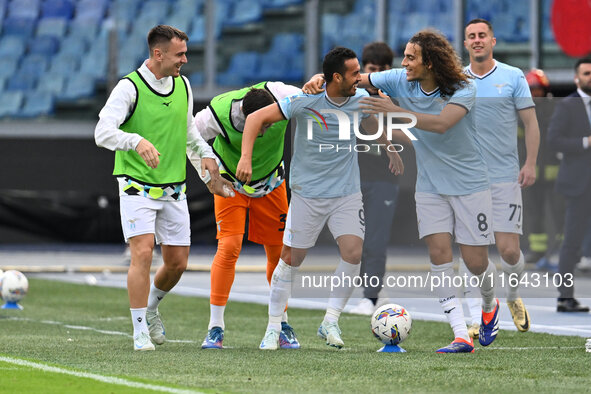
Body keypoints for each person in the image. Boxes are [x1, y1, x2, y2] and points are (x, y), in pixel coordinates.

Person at [305, 31, 498, 353]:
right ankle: (461, 334)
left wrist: (392, 111)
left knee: (476, 262)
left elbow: (440, 124)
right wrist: (321, 79)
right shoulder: (398, 78)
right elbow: (356, 77)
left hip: (470, 184)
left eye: (411, 57)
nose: (404, 62)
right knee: (439, 257)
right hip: (430, 186)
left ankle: (489, 306)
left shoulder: (464, 87)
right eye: (405, 56)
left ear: (431, 62)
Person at [237, 47, 404, 350]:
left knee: (353, 253)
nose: (360, 78)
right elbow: (255, 120)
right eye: (355, 73)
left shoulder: (358, 100)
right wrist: (245, 158)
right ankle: (274, 327)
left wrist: (390, 148)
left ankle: (330, 321)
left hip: (346, 194)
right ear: (337, 77)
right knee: (290, 261)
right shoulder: (304, 100)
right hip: (307, 195)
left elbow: (373, 123)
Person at [95, 25, 232, 351]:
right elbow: (102, 132)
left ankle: (152, 308)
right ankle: (139, 329)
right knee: (142, 254)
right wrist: (135, 140)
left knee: (177, 263)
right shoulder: (129, 88)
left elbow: (189, 136)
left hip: (174, 188)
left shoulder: (183, 85)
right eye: (179, 54)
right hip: (135, 186)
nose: (185, 60)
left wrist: (208, 162)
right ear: (158, 54)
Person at [194, 81, 302, 349]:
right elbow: (190, 138)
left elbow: (315, 95)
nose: (265, 129)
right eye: (262, 124)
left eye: (269, 122)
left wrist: (315, 83)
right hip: (230, 184)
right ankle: (215, 327)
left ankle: (281, 324)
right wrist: (209, 177)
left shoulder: (283, 94)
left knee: (279, 253)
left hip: (271, 183)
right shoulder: (215, 114)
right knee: (229, 246)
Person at [458, 19, 541, 338]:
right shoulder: (457, 80)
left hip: (505, 176)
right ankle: (482, 311)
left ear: (493, 40)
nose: (477, 40)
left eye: (482, 35)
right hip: (467, 180)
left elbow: (531, 124)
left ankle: (512, 296)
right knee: (472, 252)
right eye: (471, 37)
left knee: (508, 251)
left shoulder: (512, 76)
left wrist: (530, 162)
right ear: (465, 44)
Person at [349, 42, 404, 315]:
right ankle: (351, 288)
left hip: (384, 177)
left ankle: (370, 295)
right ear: (363, 69)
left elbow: (414, 133)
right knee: (352, 239)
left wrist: (389, 114)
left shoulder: (397, 95)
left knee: (376, 239)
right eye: (373, 70)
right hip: (352, 175)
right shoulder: (351, 93)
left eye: (383, 70)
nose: (378, 75)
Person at [547, 57, 591, 313]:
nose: (590, 77)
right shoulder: (567, 106)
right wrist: (585, 142)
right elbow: (554, 140)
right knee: (571, 242)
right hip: (578, 186)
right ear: (577, 78)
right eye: (586, 73)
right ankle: (565, 297)